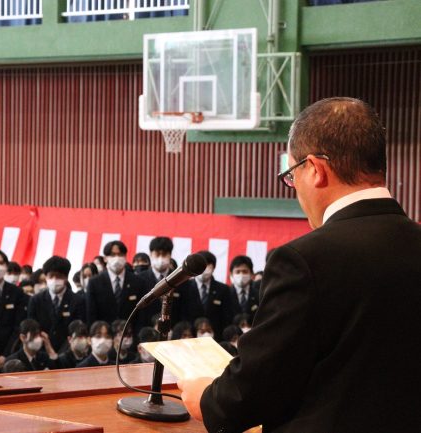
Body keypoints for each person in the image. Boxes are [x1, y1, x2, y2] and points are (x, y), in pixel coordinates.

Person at [178, 97, 421, 432]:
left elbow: (253, 390)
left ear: (316, 170)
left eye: (291, 175)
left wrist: (207, 399)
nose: (294, 189)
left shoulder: (303, 260)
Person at [27, 256, 86, 353]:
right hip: (42, 352)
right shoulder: (36, 300)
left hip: (68, 353)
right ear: (46, 277)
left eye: (59, 276)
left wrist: (62, 354)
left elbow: (79, 330)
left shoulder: (78, 301)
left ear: (66, 278)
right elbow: (32, 328)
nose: (54, 279)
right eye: (51, 276)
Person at [85, 241, 147, 330]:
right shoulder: (94, 282)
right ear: (105, 258)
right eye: (113, 255)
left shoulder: (138, 282)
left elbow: (142, 315)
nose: (117, 258)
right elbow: (91, 314)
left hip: (129, 334)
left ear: (125, 257)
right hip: (104, 334)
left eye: (120, 254)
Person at [182, 250, 233, 339]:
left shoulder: (223, 289)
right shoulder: (184, 287)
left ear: (213, 268)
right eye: (200, 266)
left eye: (207, 265)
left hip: (215, 338)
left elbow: (226, 318)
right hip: (190, 337)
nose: (204, 269)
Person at [137, 237, 189, 324]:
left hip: (173, 328)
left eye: (164, 254)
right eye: (157, 254)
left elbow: (184, 309)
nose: (160, 258)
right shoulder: (140, 278)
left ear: (170, 255)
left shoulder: (180, 278)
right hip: (146, 328)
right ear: (150, 254)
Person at [226, 255, 260, 324]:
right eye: (237, 272)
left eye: (245, 271)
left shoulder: (258, 294)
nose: (241, 274)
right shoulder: (225, 294)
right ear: (231, 274)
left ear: (251, 274)